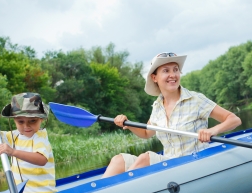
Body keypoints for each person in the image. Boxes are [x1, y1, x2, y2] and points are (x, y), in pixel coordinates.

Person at [102, 52, 242, 178]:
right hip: (169, 163)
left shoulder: (196, 100)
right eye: (166, 71)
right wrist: (127, 123)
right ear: (154, 77)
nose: (172, 75)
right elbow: (146, 133)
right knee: (118, 160)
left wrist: (213, 130)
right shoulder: (157, 107)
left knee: (146, 158)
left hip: (192, 162)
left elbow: (233, 119)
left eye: (175, 70)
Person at [0, 92, 57, 193]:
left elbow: (41, 159)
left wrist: (13, 152)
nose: (26, 126)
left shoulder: (40, 137)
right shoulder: (15, 135)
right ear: (14, 120)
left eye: (32, 121)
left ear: (41, 119)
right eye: (21, 122)